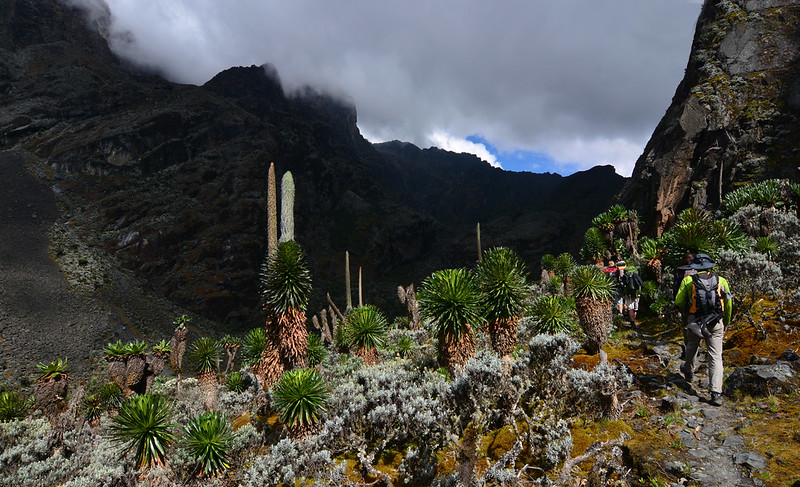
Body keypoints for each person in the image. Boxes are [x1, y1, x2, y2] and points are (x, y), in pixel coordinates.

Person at [674, 253, 732, 406]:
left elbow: (678, 300)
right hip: (715, 321)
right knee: (715, 356)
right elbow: (729, 302)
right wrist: (726, 321)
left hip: (695, 321)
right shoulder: (721, 280)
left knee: (692, 347)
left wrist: (687, 314)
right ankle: (715, 392)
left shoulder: (688, 280)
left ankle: (689, 370)